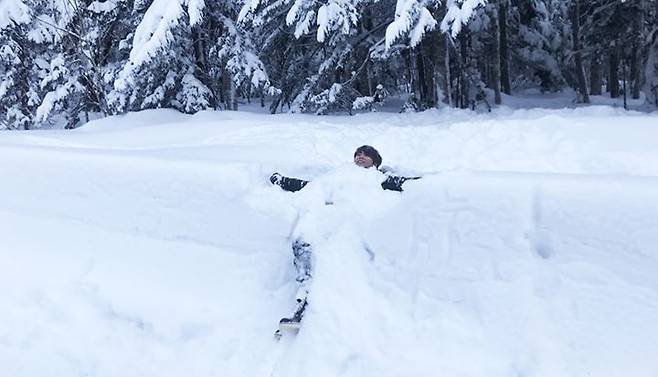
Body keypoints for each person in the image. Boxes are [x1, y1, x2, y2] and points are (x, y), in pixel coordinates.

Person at [271, 145, 420, 335]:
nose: (360, 156)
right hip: (325, 222)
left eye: (366, 154)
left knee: (339, 257)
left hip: (351, 225)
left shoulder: (379, 178)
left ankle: (344, 310)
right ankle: (303, 298)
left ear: (375, 161)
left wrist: (440, 182)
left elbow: (408, 183)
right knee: (303, 240)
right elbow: (310, 185)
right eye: (358, 154)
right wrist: (281, 180)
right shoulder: (338, 175)